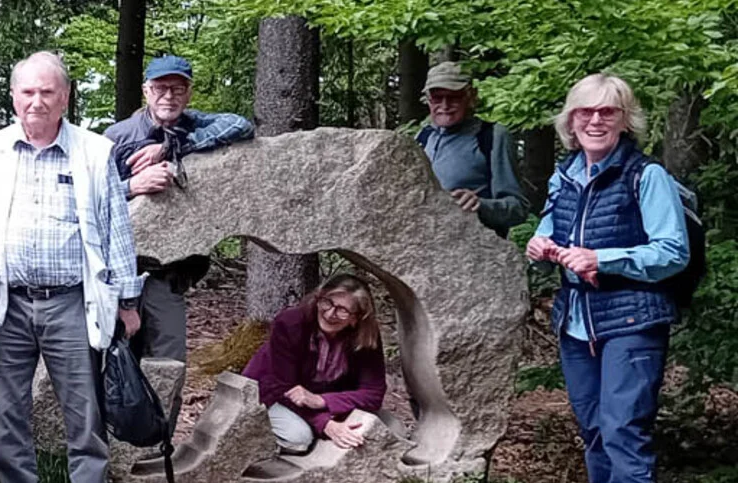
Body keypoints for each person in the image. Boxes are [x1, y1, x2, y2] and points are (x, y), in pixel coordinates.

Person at [0, 51, 143, 483]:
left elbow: (118, 232)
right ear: (14, 97)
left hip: (73, 302)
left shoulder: (96, 152)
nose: (37, 102)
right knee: (7, 415)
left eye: (47, 92)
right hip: (6, 305)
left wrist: (128, 302)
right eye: (28, 92)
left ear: (65, 97)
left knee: (85, 414)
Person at [526, 74, 688, 483]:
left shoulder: (646, 175)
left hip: (633, 319)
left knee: (623, 430)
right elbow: (550, 227)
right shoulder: (565, 175)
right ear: (571, 120)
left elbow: (674, 252)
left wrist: (604, 259)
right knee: (595, 429)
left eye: (607, 111)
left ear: (624, 120)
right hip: (576, 321)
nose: (595, 120)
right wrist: (540, 245)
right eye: (585, 111)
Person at [101, 54, 254, 363]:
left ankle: (161, 415)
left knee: (168, 363)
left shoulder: (194, 124)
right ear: (146, 91)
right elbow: (91, 200)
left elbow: (241, 125)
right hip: (121, 271)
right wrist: (133, 185)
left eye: (178, 89)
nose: (168, 96)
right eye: (160, 88)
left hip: (169, 274)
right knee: (116, 363)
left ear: (189, 93)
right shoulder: (117, 137)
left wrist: (173, 147)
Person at [241, 274, 386, 454]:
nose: (329, 314)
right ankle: (261, 445)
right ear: (318, 298)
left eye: (342, 311)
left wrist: (323, 401)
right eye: (327, 302)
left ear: (356, 318)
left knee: (388, 426)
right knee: (299, 438)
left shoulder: (365, 337)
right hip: (271, 395)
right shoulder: (290, 323)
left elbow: (373, 393)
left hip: (322, 399)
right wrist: (325, 424)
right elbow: (282, 387)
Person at [417, 61, 527, 237]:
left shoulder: (491, 136)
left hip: (475, 252)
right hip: (423, 249)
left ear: (470, 97)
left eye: (453, 97)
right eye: (437, 98)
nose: (444, 106)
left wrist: (481, 206)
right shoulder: (423, 137)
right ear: (428, 100)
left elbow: (518, 210)